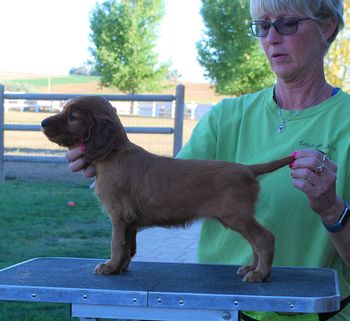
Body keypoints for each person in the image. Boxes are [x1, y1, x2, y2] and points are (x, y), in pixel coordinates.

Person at [66, 0, 350, 320]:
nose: (271, 37)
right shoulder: (225, 117)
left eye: (287, 23)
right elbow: (164, 190)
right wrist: (109, 168)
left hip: (316, 314)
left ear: (327, 27)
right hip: (221, 308)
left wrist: (332, 209)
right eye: (262, 25)